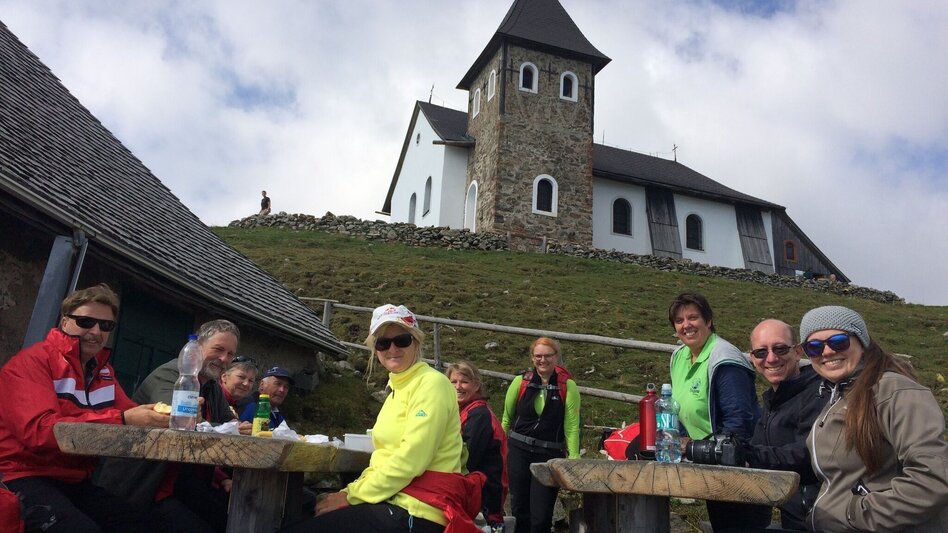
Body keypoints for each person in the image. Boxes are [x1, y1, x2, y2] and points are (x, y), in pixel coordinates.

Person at [283, 304, 483, 533]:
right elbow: (382, 460)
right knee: (299, 514)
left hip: (419, 508)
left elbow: (411, 459)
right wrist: (348, 493)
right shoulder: (395, 392)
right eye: (383, 343)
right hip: (393, 500)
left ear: (416, 342)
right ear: (375, 349)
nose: (392, 348)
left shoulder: (432, 384)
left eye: (402, 340)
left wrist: (352, 497)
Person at [0, 284, 168, 532]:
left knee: (141, 524)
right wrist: (124, 419)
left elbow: (132, 413)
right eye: (86, 321)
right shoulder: (33, 362)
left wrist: (165, 415)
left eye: (106, 326)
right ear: (65, 321)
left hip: (73, 479)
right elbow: (40, 431)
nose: (96, 331)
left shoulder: (102, 371)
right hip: (21, 475)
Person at [800, 306, 948, 532]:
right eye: (814, 347)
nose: (827, 352)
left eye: (839, 341)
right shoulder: (838, 397)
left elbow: (932, 478)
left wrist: (855, 513)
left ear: (862, 341)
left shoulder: (893, 390)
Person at [97, 319, 241, 532]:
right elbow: (175, 419)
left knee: (232, 521)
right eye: (219, 349)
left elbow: (225, 423)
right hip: (142, 487)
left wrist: (237, 426)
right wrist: (208, 422)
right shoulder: (173, 375)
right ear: (198, 345)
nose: (224, 359)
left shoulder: (211, 385)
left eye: (230, 354)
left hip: (182, 483)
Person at [666, 292, 768, 532]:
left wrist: (697, 449)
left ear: (708, 320)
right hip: (708, 461)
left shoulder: (725, 358)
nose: (686, 325)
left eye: (693, 317)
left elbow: (738, 422)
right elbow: (678, 407)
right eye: (679, 321)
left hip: (738, 466)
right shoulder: (679, 356)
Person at [745, 319, 827, 531]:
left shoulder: (819, 393)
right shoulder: (774, 399)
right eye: (761, 352)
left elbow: (808, 454)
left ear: (798, 352)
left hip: (819, 520)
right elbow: (757, 449)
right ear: (753, 358)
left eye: (780, 349)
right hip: (794, 517)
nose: (771, 358)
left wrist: (747, 454)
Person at [501, 337, 580, 533]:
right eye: (538, 356)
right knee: (519, 510)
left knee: (541, 516)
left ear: (556, 357)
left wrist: (574, 457)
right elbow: (506, 418)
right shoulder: (520, 382)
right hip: (518, 451)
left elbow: (571, 425)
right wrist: (499, 450)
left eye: (547, 356)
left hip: (548, 455)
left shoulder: (567, 386)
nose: (542, 360)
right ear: (532, 358)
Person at [445, 361, 508, 528]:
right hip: (475, 494)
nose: (458, 387)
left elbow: (468, 459)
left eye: (464, 382)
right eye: (453, 382)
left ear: (476, 386)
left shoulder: (479, 415)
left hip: (485, 500)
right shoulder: (463, 411)